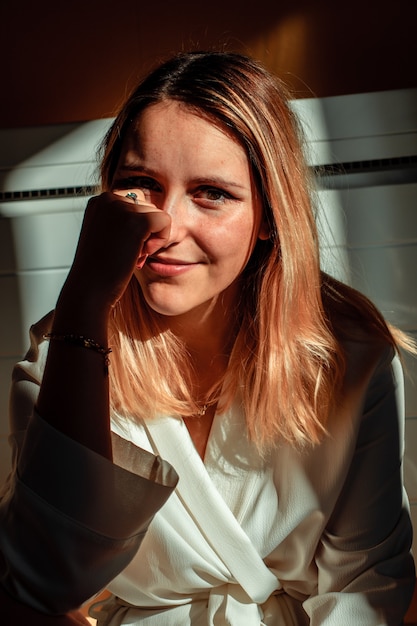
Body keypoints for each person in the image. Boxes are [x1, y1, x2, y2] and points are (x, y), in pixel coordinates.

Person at [0, 50, 415, 625]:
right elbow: (45, 580)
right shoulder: (62, 355)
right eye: (139, 186)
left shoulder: (352, 352)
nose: (165, 227)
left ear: (269, 213)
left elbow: (365, 583)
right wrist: (83, 304)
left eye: (211, 193)